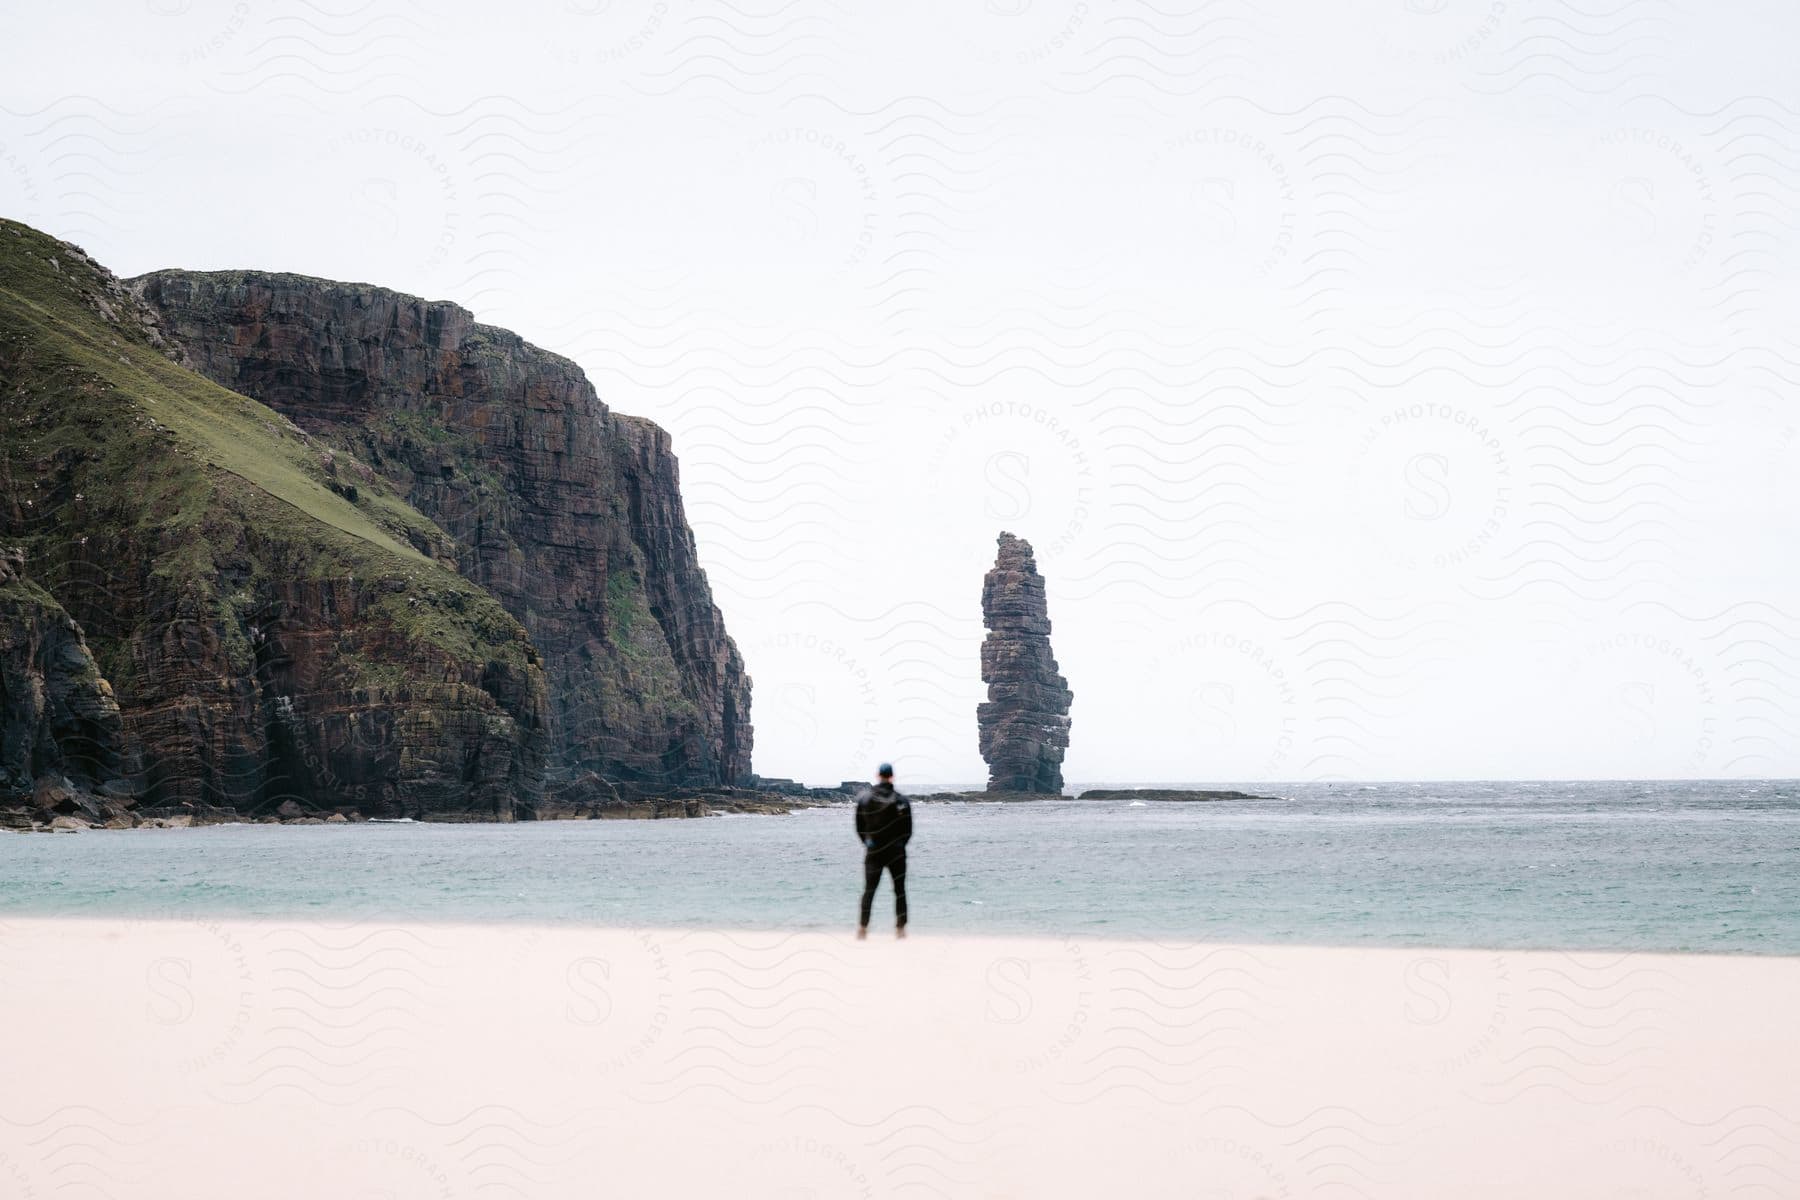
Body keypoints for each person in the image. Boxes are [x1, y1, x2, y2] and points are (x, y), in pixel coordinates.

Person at [855, 762, 912, 939]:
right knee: (899, 890)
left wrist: (868, 843)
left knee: (869, 890)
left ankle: (863, 928)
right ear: (892, 776)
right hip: (896, 851)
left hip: (874, 851)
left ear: (877, 775)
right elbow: (908, 829)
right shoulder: (901, 800)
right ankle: (900, 928)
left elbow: (859, 826)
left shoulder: (865, 799)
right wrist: (900, 844)